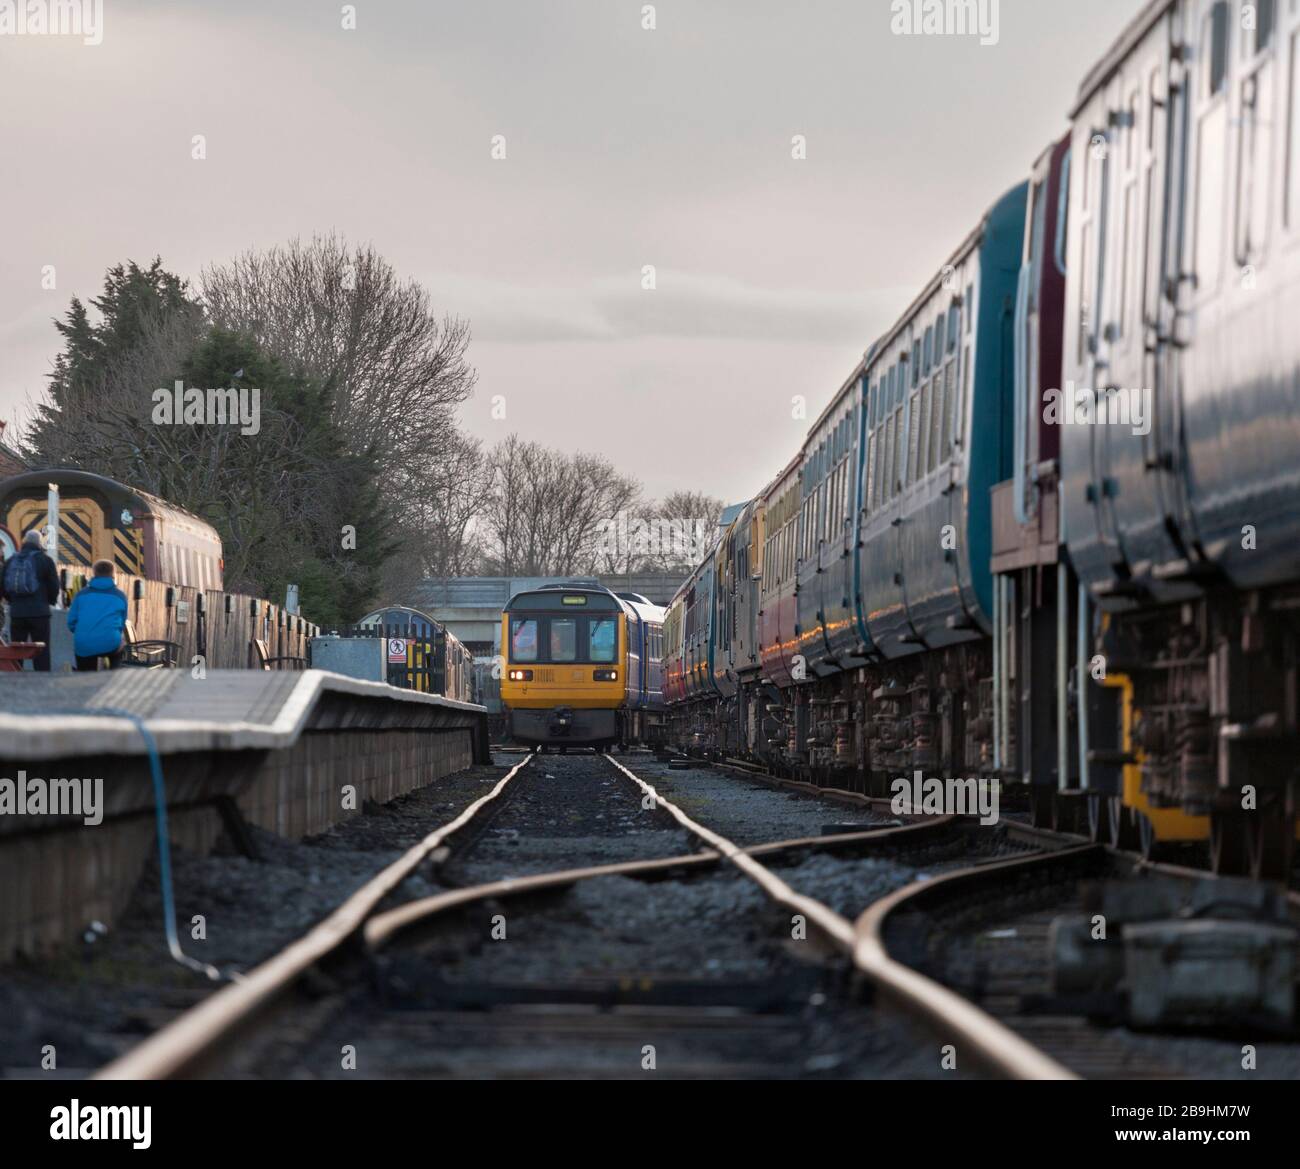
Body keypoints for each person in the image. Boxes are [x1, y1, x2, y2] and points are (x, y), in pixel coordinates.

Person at [2, 528, 61, 671]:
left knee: (17, 650)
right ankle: (42, 683)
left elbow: (3, 585)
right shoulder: (45, 560)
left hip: (17, 613)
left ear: (25, 542)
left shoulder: (10, 561)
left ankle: (16, 680)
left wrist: (12, 601)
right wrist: (49, 602)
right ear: (39, 543)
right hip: (39, 613)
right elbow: (54, 586)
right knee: (41, 651)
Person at [66, 559, 128, 672]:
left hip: (84, 643)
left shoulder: (81, 595)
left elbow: (71, 623)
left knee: (85, 674)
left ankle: (84, 678)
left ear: (94, 573)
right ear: (113, 574)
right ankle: (113, 674)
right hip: (110, 642)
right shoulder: (120, 596)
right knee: (119, 647)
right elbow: (122, 623)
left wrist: (84, 631)